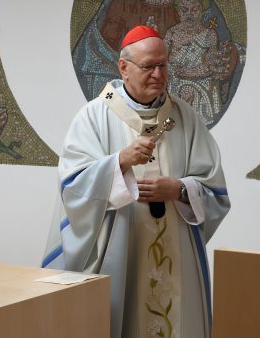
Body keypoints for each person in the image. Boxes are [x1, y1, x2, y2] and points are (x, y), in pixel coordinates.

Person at [43, 25, 230, 338]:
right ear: (123, 68)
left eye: (163, 65)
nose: (158, 74)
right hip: (121, 249)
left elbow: (214, 186)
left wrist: (179, 189)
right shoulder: (95, 116)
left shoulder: (184, 117)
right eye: (148, 66)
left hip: (177, 249)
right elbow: (73, 185)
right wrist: (119, 161)